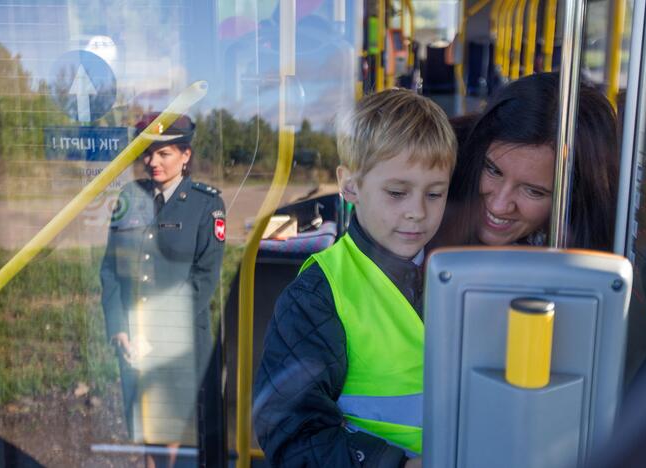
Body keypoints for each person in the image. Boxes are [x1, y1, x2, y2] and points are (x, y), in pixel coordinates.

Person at [253, 89, 458, 467]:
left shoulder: (462, 274)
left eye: (435, 193)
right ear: (350, 186)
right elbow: (292, 432)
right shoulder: (319, 294)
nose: (417, 212)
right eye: (397, 193)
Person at [100, 113, 225, 466]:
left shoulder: (207, 204)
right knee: (143, 429)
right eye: (148, 153)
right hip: (133, 341)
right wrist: (120, 328)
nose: (152, 162)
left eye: (164, 153)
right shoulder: (129, 196)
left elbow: (204, 280)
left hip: (177, 343)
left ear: (185, 155)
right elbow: (110, 269)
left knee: (173, 436)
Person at [433, 72, 619, 251]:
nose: (499, 205)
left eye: (533, 192)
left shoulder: (601, 238)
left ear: (576, 196)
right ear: (478, 146)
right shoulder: (428, 164)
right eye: (493, 171)